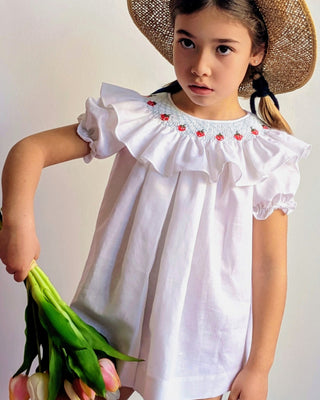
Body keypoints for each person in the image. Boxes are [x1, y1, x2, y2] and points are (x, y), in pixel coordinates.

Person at [0, 0, 317, 399]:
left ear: (256, 53)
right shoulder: (137, 118)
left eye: (223, 48)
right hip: (108, 323)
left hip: (204, 342)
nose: (200, 65)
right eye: (187, 42)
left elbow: (270, 268)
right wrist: (17, 223)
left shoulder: (264, 152)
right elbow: (30, 150)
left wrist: (259, 366)